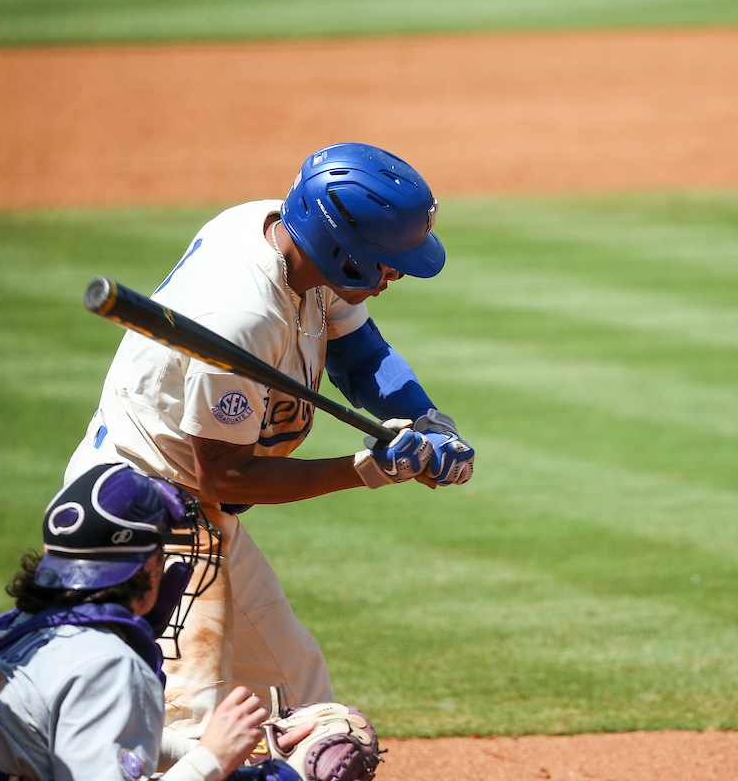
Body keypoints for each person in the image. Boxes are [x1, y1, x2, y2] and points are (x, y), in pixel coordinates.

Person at [64, 143, 474, 757]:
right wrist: (367, 468)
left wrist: (427, 421)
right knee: (193, 731)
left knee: (303, 702)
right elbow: (226, 477)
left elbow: (361, 355)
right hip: (139, 520)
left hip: (198, 514)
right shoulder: (243, 316)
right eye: (389, 263)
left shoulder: (296, 240)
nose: (396, 275)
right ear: (348, 253)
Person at [0, 463, 310, 781]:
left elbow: (90, 737)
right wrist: (214, 757)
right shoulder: (108, 665)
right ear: (148, 567)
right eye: (163, 553)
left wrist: (232, 760)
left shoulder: (4, 631)